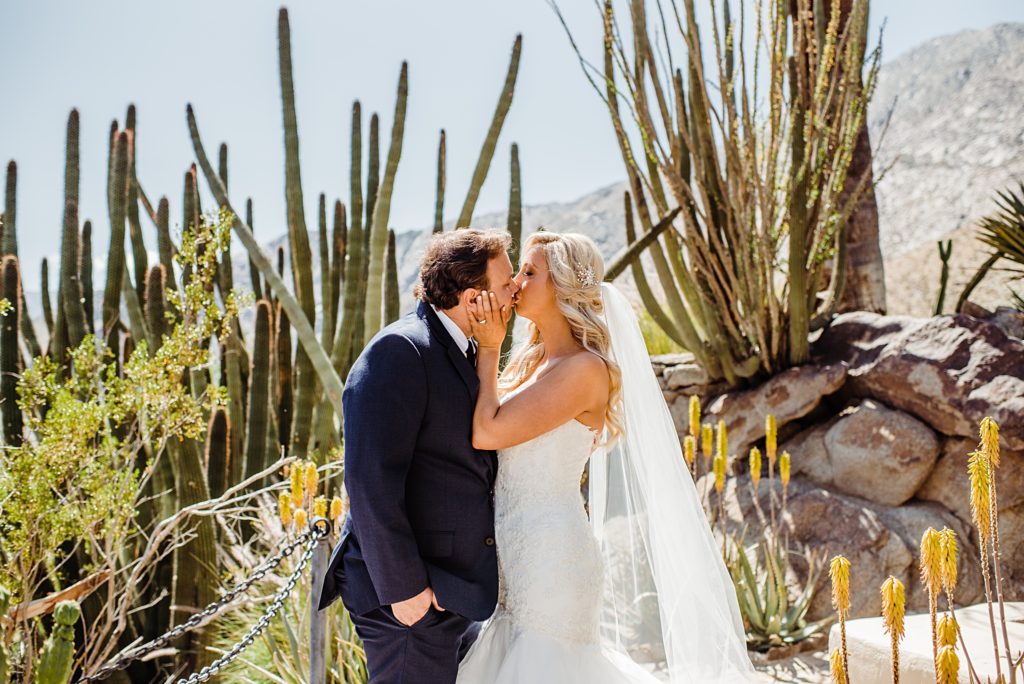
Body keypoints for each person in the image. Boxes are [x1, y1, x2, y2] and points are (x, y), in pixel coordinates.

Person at [456, 231, 758, 683]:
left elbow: (487, 431)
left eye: (530, 272)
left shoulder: (584, 370)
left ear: (561, 287)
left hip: (551, 561)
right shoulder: (532, 363)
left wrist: (489, 345)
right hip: (514, 562)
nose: (516, 282)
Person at [317, 228, 519, 684]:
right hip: (407, 596)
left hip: (450, 588)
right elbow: (370, 480)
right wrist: (406, 590)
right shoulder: (401, 350)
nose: (515, 293)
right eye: (506, 285)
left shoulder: (462, 350)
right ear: (473, 299)